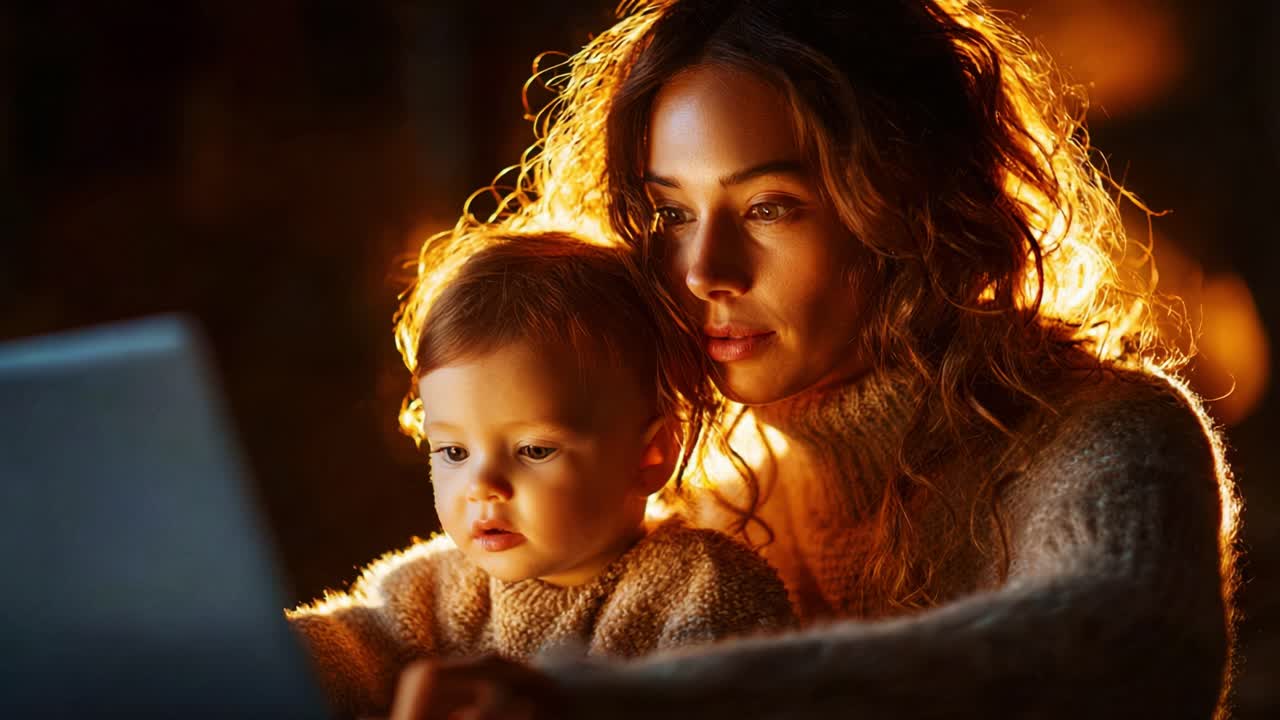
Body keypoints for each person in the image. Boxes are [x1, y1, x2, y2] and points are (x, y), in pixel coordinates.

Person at [381, 1, 1243, 719]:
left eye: (769, 206)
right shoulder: (708, 497)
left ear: (905, 207)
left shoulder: (1108, 432)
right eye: (671, 213)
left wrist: (616, 704)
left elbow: (1110, 651)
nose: (704, 271)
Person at [287, 232, 795, 717]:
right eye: (453, 452)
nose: (482, 486)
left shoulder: (702, 585)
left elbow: (714, 699)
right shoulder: (435, 589)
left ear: (652, 456)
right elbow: (352, 646)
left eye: (533, 449)